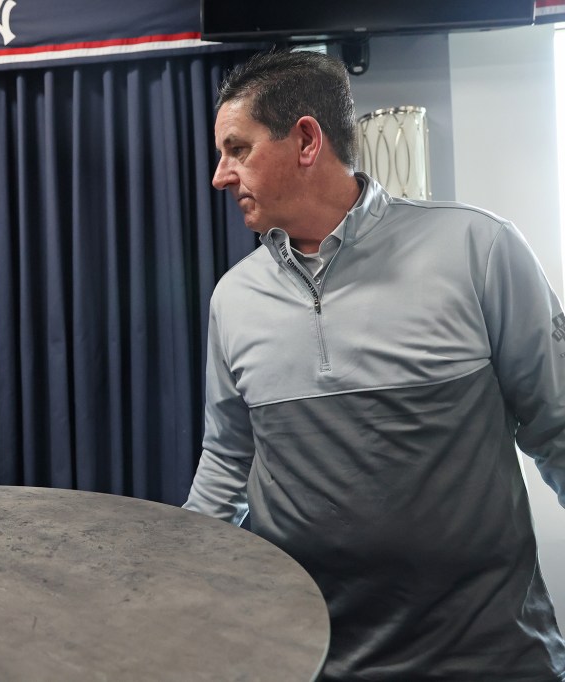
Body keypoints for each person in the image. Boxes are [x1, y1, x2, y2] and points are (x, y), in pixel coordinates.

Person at [184, 49, 565, 680]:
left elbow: (558, 426)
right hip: (314, 657)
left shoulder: (480, 249)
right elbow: (227, 461)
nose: (220, 175)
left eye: (238, 149)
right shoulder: (234, 299)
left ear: (306, 139)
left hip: (491, 657)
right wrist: (182, 586)